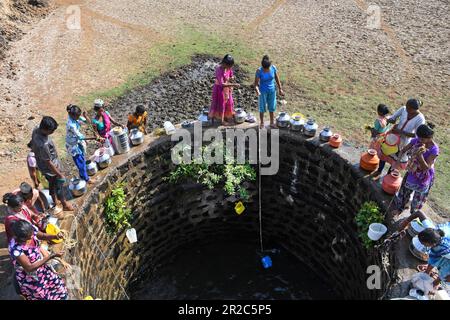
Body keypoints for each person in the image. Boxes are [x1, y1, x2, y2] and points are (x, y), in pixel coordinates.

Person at [9, 220, 68, 300]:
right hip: (31, 277)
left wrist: (55, 236)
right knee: (43, 294)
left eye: (32, 234)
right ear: (20, 238)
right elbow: (29, 267)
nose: (31, 237)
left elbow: (43, 235)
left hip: (42, 268)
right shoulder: (16, 249)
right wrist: (51, 256)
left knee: (57, 286)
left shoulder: (30, 230)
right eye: (28, 237)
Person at [391, 124, 439, 216]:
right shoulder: (417, 141)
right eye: (419, 138)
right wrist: (397, 161)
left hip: (424, 177)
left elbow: (426, 168)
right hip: (413, 172)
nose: (420, 140)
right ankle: (400, 208)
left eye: (422, 139)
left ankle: (412, 217)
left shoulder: (434, 150)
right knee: (405, 192)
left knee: (417, 200)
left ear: (430, 137)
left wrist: (419, 156)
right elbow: (403, 150)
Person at [30, 116, 74, 211]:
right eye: (51, 131)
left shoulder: (36, 129)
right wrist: (59, 174)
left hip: (43, 165)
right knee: (59, 186)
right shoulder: (43, 144)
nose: (52, 132)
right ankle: (64, 204)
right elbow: (48, 162)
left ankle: (55, 201)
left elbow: (32, 143)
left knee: (52, 184)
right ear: (45, 129)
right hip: (51, 169)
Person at [374, 98, 425, 177]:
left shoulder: (420, 119)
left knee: (396, 160)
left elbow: (417, 136)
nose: (406, 109)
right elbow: (393, 118)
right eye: (406, 107)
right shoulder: (404, 109)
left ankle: (388, 176)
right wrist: (389, 120)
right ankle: (379, 170)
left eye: (408, 108)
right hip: (393, 137)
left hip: (404, 143)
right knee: (385, 152)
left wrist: (401, 132)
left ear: (414, 109)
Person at [66, 104, 102, 185]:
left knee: (82, 158)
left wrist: (86, 116)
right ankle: (87, 179)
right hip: (73, 145)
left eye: (80, 115)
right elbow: (80, 137)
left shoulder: (76, 117)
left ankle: (83, 175)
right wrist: (95, 138)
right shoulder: (71, 125)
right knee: (80, 161)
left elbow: (87, 122)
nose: (79, 117)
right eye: (78, 116)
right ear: (72, 115)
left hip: (77, 142)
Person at [209, 54, 240, 126]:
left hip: (227, 89)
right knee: (221, 104)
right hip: (219, 90)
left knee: (229, 102)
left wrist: (232, 77)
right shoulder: (219, 70)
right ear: (225, 64)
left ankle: (227, 116)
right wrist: (234, 85)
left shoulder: (228, 68)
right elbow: (222, 84)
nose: (230, 68)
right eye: (230, 66)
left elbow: (231, 74)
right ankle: (222, 121)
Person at [254, 55, 284, 129]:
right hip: (262, 92)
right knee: (262, 107)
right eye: (265, 69)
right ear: (262, 67)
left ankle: (271, 123)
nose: (266, 70)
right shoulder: (259, 71)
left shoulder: (273, 68)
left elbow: (277, 78)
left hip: (272, 91)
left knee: (272, 106)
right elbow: (255, 84)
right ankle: (262, 123)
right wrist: (257, 91)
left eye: (267, 69)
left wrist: (280, 88)